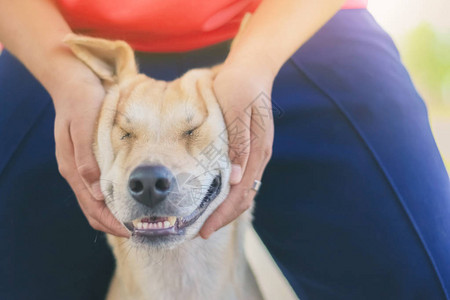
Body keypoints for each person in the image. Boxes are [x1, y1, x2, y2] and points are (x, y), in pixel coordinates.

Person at [0, 0, 449, 299]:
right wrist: (66, 79)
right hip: (65, 40)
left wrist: (256, 61)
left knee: (425, 282)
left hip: (288, 23)